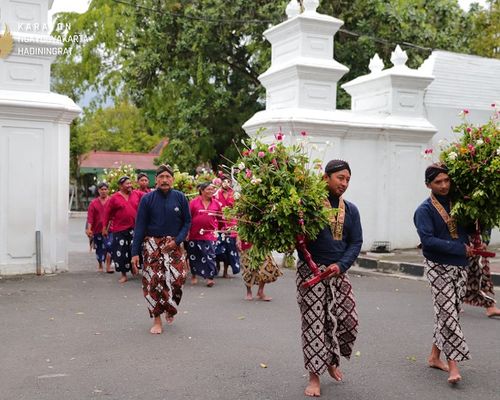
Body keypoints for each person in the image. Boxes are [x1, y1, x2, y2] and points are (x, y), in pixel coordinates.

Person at [296, 159, 362, 397]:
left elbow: (356, 242)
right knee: (314, 323)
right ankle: (314, 377)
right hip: (310, 272)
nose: (344, 183)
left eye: (347, 179)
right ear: (325, 177)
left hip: (338, 272)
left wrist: (341, 265)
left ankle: (330, 359)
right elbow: (296, 237)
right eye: (340, 178)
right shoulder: (307, 206)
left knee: (348, 320)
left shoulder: (352, 209)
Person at [414, 162, 474, 384]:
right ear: (428, 184)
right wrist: (459, 247)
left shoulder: (459, 204)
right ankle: (454, 366)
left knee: (451, 312)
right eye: (438, 182)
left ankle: (433, 357)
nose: (444, 185)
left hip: (461, 266)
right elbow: (427, 242)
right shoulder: (424, 211)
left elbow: (467, 230)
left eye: (447, 180)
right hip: (437, 267)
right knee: (448, 315)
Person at [132, 164, 191, 334]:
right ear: (156, 180)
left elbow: (187, 222)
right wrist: (134, 253)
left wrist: (177, 241)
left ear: (172, 179)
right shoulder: (147, 199)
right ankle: (157, 319)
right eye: (161, 177)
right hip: (152, 246)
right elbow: (139, 227)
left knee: (178, 280)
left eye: (168, 177)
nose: (165, 180)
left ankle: (170, 307)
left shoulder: (180, 197)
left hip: (174, 246)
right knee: (153, 283)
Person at [103, 176, 144, 283]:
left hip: (134, 228)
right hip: (119, 230)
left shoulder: (137, 194)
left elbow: (149, 197)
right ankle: (123, 274)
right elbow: (107, 214)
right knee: (121, 252)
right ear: (121, 186)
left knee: (136, 249)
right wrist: (104, 228)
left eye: (130, 183)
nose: (130, 185)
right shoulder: (114, 198)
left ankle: (134, 267)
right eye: (127, 184)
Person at [186, 182, 222, 287]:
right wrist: (187, 232)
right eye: (208, 189)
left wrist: (221, 229)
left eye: (212, 189)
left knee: (210, 255)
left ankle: (210, 278)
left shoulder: (216, 204)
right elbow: (188, 218)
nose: (211, 191)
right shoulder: (193, 203)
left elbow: (220, 219)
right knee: (194, 255)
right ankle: (194, 275)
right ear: (202, 190)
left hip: (210, 234)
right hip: (194, 233)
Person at [464, 233, 500, 318]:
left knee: (483, 271)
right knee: (461, 273)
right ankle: (455, 300)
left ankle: (490, 306)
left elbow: (488, 222)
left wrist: (485, 241)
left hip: (479, 240)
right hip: (462, 240)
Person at [214, 176, 241, 278]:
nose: (226, 183)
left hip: (231, 225)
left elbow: (237, 211)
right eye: (224, 181)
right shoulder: (216, 194)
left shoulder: (234, 194)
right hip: (218, 224)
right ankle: (217, 266)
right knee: (218, 249)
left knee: (229, 249)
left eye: (228, 182)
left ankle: (225, 271)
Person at [86, 182, 113, 273]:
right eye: (102, 189)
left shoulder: (112, 201)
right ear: (98, 191)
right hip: (97, 230)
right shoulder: (93, 203)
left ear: (108, 190)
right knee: (99, 249)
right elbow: (90, 218)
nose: (104, 191)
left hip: (110, 229)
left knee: (109, 246)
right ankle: (100, 264)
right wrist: (89, 229)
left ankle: (108, 266)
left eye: (105, 189)